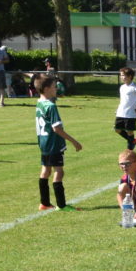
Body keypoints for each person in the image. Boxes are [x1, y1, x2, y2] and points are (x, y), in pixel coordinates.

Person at [34, 75, 83, 211]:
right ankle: (61, 205)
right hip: (53, 144)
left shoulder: (39, 103)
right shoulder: (51, 106)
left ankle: (44, 203)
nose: (57, 89)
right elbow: (57, 128)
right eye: (54, 87)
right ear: (46, 89)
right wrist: (74, 141)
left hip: (43, 143)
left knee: (45, 170)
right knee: (59, 171)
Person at [114, 67, 136, 150]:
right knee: (117, 129)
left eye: (124, 75)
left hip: (131, 114)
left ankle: (130, 149)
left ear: (130, 76)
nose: (122, 77)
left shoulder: (135, 87)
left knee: (129, 131)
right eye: (121, 75)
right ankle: (133, 141)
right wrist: (118, 109)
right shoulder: (122, 87)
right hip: (121, 113)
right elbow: (123, 100)